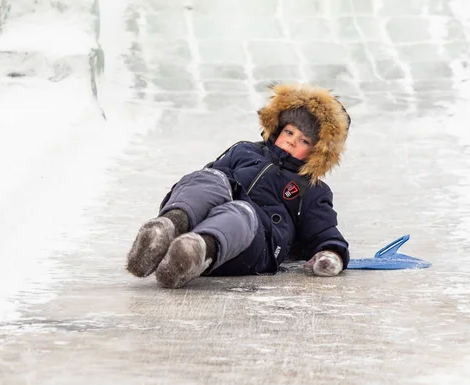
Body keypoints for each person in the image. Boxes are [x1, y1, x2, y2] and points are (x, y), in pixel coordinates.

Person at [126, 83, 351, 288]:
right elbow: (202, 186)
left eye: (304, 141)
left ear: (318, 152)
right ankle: (168, 228)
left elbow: (324, 232)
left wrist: (331, 255)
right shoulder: (245, 150)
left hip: (255, 241)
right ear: (278, 127)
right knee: (210, 178)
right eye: (289, 132)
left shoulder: (311, 188)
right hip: (209, 217)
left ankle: (194, 253)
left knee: (239, 212)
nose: (292, 140)